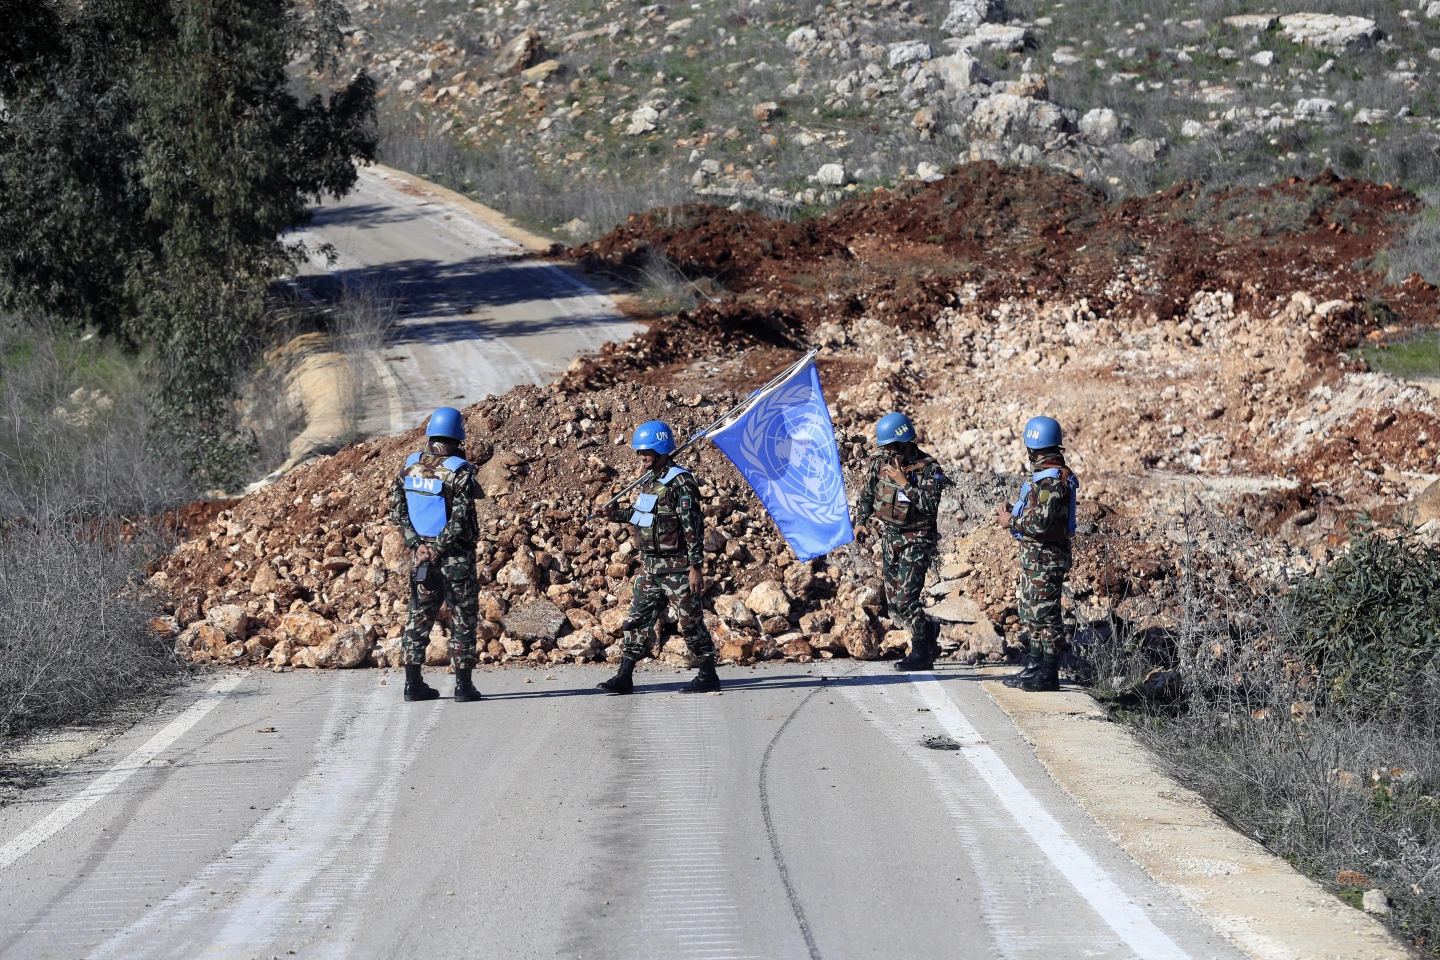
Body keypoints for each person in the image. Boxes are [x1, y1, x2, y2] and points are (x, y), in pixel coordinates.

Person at [596, 420, 719, 695]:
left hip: (678, 568)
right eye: (639, 453)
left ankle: (708, 673)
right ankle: (624, 676)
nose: (641, 458)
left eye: (646, 452)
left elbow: (692, 527)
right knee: (637, 619)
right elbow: (641, 516)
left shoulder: (681, 482)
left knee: (690, 622)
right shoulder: (650, 482)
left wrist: (695, 567)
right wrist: (613, 514)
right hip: (651, 568)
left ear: (661, 448)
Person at [390, 406, 483, 703]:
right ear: (457, 437)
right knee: (463, 619)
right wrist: (437, 549)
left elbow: (398, 513)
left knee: (419, 617)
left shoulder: (409, 466)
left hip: (421, 558)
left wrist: (419, 547)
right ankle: (463, 687)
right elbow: (458, 520)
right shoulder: (459, 472)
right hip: (455, 558)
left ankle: (412, 684)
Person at [854, 411, 948, 671]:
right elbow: (867, 494)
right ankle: (928, 630)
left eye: (891, 447)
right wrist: (861, 519)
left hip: (917, 539)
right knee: (895, 605)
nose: (887, 452)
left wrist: (905, 483)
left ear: (904, 442)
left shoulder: (930, 468)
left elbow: (930, 505)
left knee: (907, 600)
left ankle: (921, 653)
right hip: (889, 538)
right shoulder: (880, 463)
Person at [997, 415, 1079, 693]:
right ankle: (1035, 664)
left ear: (1035, 447)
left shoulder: (1053, 482)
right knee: (1031, 613)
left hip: (1047, 559)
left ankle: (1048, 672)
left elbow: (1041, 523)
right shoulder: (1046, 479)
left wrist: (1011, 520)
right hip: (1037, 558)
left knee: (1047, 615)